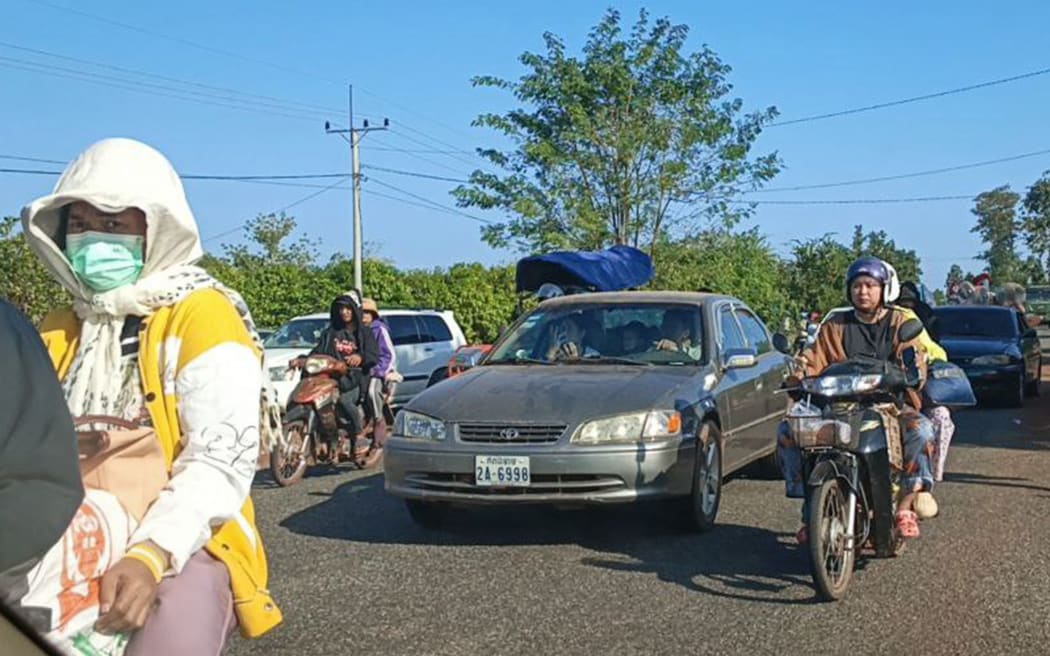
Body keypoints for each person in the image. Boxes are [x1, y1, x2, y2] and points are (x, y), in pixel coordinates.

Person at [21, 138, 282, 654]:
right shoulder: (59, 325)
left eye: (114, 223)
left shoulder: (201, 315)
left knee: (171, 631)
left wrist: (148, 555)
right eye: (79, 223)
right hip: (67, 529)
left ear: (154, 230)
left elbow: (218, 460)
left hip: (184, 542)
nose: (93, 237)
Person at [779, 257, 936, 542]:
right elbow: (812, 358)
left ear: (884, 289)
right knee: (791, 429)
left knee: (921, 429)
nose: (862, 292)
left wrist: (911, 373)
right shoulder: (835, 323)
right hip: (838, 406)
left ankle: (905, 507)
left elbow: (914, 359)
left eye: (870, 286)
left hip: (890, 406)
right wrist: (797, 374)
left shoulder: (901, 321)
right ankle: (809, 509)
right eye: (857, 286)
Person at [293, 294, 379, 456]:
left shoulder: (364, 332)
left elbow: (373, 355)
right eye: (341, 309)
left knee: (344, 400)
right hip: (330, 376)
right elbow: (318, 351)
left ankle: (359, 433)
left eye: (348, 308)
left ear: (354, 310)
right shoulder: (331, 332)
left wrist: (360, 357)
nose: (344, 312)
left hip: (354, 378)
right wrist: (303, 360)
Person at [360, 298, 397, 449]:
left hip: (378, 371)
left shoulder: (379, 329)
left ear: (373, 315)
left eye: (367, 313)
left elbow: (389, 355)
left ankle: (378, 419)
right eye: (361, 313)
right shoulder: (356, 330)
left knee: (371, 392)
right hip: (360, 370)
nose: (364, 316)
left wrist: (379, 371)